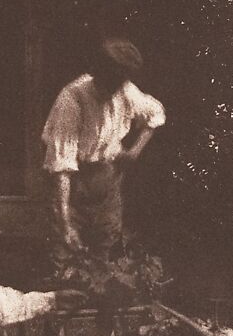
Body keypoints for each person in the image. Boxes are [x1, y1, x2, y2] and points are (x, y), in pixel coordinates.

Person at [41, 37, 165, 259]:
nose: (113, 90)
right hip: (74, 184)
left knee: (105, 250)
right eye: (108, 82)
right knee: (66, 253)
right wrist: (65, 222)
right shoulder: (72, 99)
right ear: (97, 74)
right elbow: (62, 168)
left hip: (108, 179)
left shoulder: (125, 91)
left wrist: (135, 151)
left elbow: (155, 114)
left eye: (118, 83)